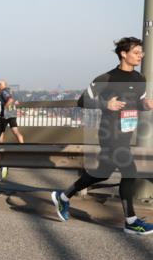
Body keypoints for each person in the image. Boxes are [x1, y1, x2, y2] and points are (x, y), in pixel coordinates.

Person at [52, 37, 153, 235]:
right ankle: (131, 221)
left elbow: (136, 104)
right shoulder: (106, 78)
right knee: (129, 170)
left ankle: (63, 196)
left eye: (141, 52)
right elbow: (82, 101)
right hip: (110, 133)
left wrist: (145, 105)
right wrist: (105, 105)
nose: (140, 56)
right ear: (123, 54)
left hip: (126, 133)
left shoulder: (139, 79)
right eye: (136, 52)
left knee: (103, 173)